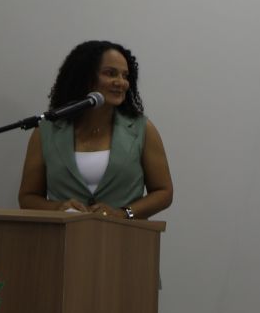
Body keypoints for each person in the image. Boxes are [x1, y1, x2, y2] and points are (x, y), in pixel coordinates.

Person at [18, 40, 172, 221]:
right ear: (85, 77)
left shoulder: (141, 129)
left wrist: (124, 213)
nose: (121, 82)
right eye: (110, 73)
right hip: (63, 235)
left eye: (125, 76)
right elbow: (28, 197)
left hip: (125, 235)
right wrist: (58, 208)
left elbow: (164, 192)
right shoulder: (47, 131)